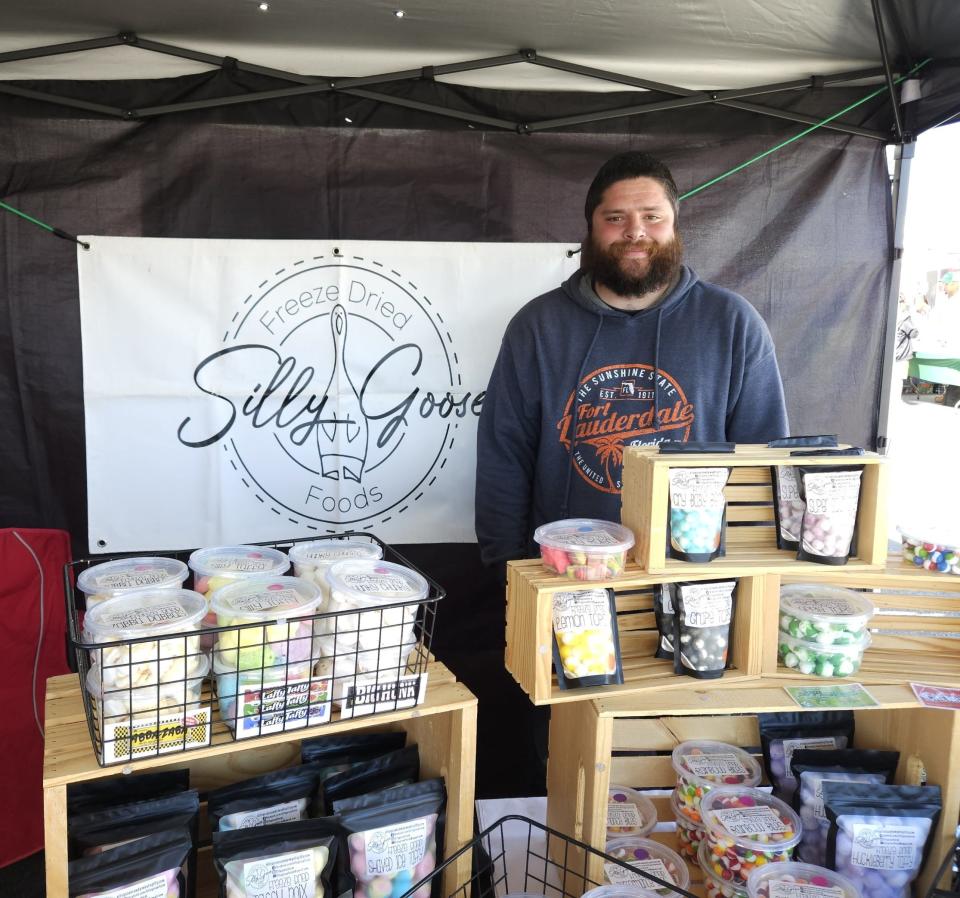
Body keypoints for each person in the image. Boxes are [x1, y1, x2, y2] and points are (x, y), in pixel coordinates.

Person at [476, 151, 789, 567]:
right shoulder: (537, 326)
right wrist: (506, 565)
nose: (635, 231)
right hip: (568, 568)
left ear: (675, 225)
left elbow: (764, 460)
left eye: (652, 217)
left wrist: (753, 568)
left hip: (695, 570)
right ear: (591, 227)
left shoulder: (731, 322)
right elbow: (504, 455)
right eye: (616, 218)